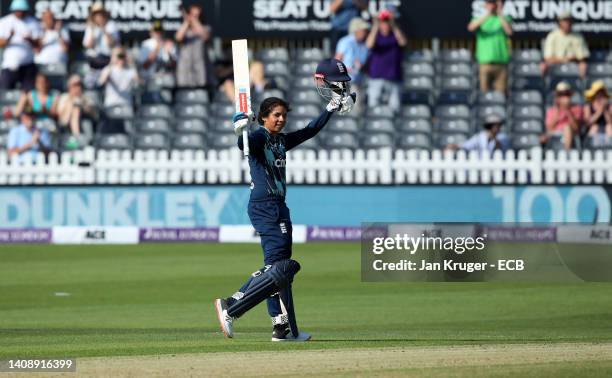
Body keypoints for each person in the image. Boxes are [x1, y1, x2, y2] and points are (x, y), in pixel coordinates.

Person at [214, 59, 355, 342]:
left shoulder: (279, 141)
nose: (280, 119)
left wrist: (329, 109)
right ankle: (231, 304)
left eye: (283, 116)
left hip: (278, 205)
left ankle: (282, 327)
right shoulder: (258, 138)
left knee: (279, 268)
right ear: (264, 117)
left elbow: (309, 131)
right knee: (278, 268)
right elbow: (244, 144)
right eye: (275, 115)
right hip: (264, 206)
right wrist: (238, 128)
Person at [365, 9, 407, 113]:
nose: (385, 25)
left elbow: (403, 42)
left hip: (394, 77)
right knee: (373, 106)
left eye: (386, 22)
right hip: (376, 77)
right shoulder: (376, 35)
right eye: (383, 22)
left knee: (395, 107)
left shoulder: (395, 34)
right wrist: (376, 25)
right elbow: (369, 44)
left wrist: (393, 24)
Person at [467, 0, 512, 93]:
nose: (492, 5)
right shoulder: (479, 19)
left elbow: (509, 32)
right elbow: (471, 28)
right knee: (484, 94)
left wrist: (499, 13)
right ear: (486, 5)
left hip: (501, 63)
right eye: (490, 3)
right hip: (484, 63)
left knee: (501, 94)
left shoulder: (505, 18)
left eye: (494, 3)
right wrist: (488, 14)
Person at [0, 0, 41, 90]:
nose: (20, 13)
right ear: (13, 10)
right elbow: (1, 44)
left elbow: (38, 45)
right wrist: (10, 37)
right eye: (18, 10)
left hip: (28, 64)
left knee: (28, 93)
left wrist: (29, 39)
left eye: (22, 10)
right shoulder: (4, 22)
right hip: (9, 65)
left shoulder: (33, 22)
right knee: (5, 92)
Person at [98, 47, 138, 134]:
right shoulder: (108, 69)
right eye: (118, 56)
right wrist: (111, 63)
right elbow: (101, 82)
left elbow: (138, 83)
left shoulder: (131, 70)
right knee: (108, 128)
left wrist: (131, 63)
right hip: (111, 103)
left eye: (122, 55)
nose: (120, 58)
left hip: (126, 104)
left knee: (128, 128)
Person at [335, 17, 369, 114]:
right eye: (363, 30)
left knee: (357, 109)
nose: (365, 32)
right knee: (343, 109)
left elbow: (363, 64)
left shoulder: (364, 44)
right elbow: (337, 61)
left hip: (357, 81)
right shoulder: (345, 41)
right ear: (356, 30)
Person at [175, 4, 214, 89]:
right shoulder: (184, 28)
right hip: (185, 64)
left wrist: (193, 20)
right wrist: (186, 21)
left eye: (197, 15)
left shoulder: (206, 27)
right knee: (183, 88)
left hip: (200, 64)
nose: (194, 17)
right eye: (192, 14)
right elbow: (178, 37)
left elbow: (204, 36)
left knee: (201, 87)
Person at [542, 12, 589, 78]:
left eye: (569, 20)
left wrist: (573, 59)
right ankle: (544, 86)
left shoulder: (578, 36)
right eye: (565, 20)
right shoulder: (552, 35)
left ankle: (582, 85)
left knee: (583, 65)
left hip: (574, 64)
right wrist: (564, 60)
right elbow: (547, 58)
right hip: (555, 64)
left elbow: (583, 57)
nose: (567, 23)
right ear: (559, 22)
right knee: (543, 65)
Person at [82, 2, 120, 86]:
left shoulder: (111, 25)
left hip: (107, 62)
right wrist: (92, 30)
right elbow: (88, 45)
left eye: (101, 14)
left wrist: (104, 29)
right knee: (89, 84)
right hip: (93, 62)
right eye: (96, 15)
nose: (99, 17)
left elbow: (111, 44)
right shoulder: (90, 27)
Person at [543, 81, 583, 150]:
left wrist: (568, 111)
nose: (564, 97)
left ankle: (566, 153)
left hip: (571, 135)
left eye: (566, 94)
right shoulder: (552, 110)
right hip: (554, 135)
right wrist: (558, 110)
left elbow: (576, 129)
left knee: (566, 127)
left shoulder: (577, 109)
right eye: (561, 95)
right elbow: (549, 128)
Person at [583, 80, 612, 146]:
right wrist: (599, 111)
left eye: (602, 93)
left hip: (607, 130)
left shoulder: (609, 106)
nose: (600, 95)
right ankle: (593, 149)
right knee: (594, 127)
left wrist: (604, 110)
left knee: (609, 127)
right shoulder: (588, 106)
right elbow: (588, 123)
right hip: (592, 131)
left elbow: (610, 122)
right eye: (598, 93)